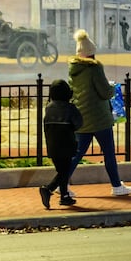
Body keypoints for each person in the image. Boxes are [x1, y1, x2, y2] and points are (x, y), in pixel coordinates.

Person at [68, 28, 131, 196]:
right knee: (109, 153)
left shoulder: (73, 70)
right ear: (91, 53)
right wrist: (112, 88)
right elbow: (104, 92)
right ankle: (117, 186)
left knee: (76, 155)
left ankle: (61, 185)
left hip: (82, 117)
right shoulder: (95, 68)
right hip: (99, 118)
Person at [38, 78, 84, 209]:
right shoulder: (70, 108)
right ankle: (48, 189)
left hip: (52, 145)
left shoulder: (49, 108)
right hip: (67, 144)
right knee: (64, 171)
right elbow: (79, 123)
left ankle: (65, 196)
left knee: (61, 170)